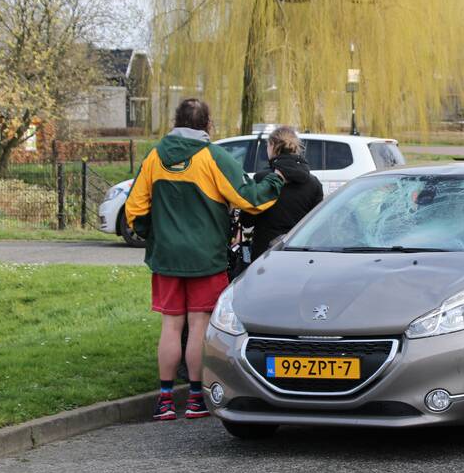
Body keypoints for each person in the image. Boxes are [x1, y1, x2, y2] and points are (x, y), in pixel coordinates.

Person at [125, 99, 284, 421]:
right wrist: (275, 181)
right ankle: (196, 398)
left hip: (166, 257)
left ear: (175, 120)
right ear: (207, 124)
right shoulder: (213, 157)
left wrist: (151, 232)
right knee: (199, 326)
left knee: (171, 326)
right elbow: (250, 200)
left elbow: (135, 209)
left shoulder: (155, 156)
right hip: (206, 257)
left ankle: (166, 399)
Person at [241, 126, 323, 260]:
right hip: (300, 252)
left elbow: (247, 220)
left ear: (272, 146)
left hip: (265, 254)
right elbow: (318, 224)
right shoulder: (313, 183)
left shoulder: (262, 179)